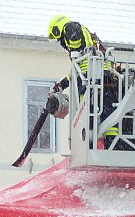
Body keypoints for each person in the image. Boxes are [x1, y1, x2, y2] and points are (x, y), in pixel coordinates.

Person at [47, 14, 119, 148]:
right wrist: (62, 84)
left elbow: (79, 62)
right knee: (106, 110)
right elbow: (75, 69)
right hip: (103, 74)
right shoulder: (83, 32)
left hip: (88, 77)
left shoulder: (71, 28)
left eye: (58, 38)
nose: (60, 42)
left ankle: (88, 141)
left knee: (84, 110)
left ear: (58, 29)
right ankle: (111, 142)